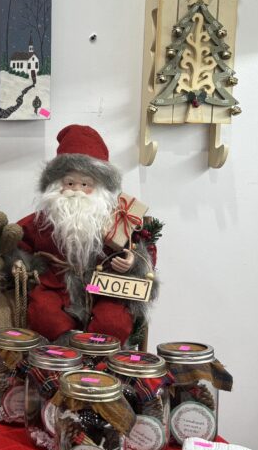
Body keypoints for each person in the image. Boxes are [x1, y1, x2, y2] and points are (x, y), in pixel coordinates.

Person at [10, 125, 157, 343]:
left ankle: (99, 362)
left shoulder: (118, 219)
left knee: (113, 320)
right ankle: (63, 356)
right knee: (44, 314)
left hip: (102, 288)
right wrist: (23, 264)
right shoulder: (43, 221)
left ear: (99, 187)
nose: (77, 190)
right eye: (69, 183)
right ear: (56, 185)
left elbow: (142, 249)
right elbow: (18, 242)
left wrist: (132, 262)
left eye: (86, 184)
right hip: (56, 285)